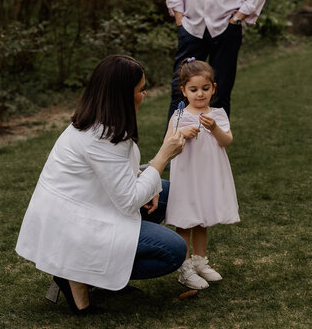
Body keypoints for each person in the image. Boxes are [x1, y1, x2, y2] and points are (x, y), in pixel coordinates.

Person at [15, 54, 187, 314]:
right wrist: (163, 157)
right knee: (174, 250)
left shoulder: (99, 122)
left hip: (89, 208)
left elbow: (113, 176)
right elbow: (128, 201)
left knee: (165, 193)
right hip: (75, 226)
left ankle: (92, 271)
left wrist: (149, 182)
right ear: (122, 95)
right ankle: (79, 274)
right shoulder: (102, 137)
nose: (145, 94)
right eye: (141, 90)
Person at [165, 58, 240, 290]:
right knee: (186, 219)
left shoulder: (217, 114)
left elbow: (227, 141)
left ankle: (200, 261)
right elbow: (167, 143)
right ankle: (185, 267)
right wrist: (182, 133)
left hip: (208, 176)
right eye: (194, 89)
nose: (200, 94)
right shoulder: (179, 116)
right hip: (187, 176)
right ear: (183, 90)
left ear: (213, 89)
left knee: (202, 219)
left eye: (205, 89)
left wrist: (215, 128)